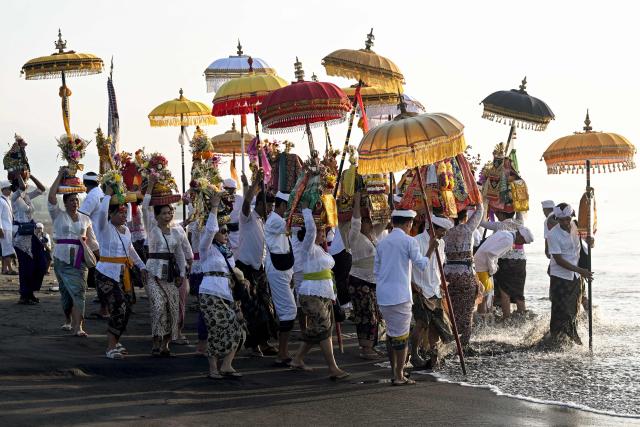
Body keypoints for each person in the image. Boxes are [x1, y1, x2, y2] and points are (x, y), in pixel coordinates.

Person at [290, 203, 349, 381]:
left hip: (324, 293)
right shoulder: (307, 248)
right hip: (312, 293)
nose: (322, 233)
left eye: (323, 231)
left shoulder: (322, 250)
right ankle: (332, 367)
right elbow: (310, 233)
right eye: (319, 231)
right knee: (323, 328)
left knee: (320, 329)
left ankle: (297, 358)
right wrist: (308, 212)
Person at [375, 208, 432, 386]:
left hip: (384, 294)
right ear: (408, 224)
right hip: (400, 295)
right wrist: (430, 249)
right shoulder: (408, 241)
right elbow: (421, 265)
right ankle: (399, 375)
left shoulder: (382, 243)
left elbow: (376, 271)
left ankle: (395, 371)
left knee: (392, 336)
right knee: (400, 337)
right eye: (411, 225)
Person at [142, 175, 193, 356]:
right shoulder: (152, 228)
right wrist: (150, 187)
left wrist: (182, 273)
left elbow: (180, 255)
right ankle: (156, 339)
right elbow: (145, 207)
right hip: (153, 273)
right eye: (164, 213)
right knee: (158, 305)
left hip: (171, 275)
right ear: (157, 215)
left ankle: (165, 343)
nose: (168, 215)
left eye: (170, 212)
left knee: (172, 307)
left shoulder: (177, 232)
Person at [94, 188, 148, 359]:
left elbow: (130, 250)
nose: (124, 216)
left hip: (123, 274)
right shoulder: (104, 227)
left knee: (128, 307)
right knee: (118, 305)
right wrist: (108, 195)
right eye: (120, 213)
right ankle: (110, 347)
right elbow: (102, 212)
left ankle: (116, 340)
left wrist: (142, 266)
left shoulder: (126, 230)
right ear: (111, 214)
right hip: (105, 273)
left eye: (125, 213)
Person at [199, 192, 246, 379]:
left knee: (238, 326)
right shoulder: (206, 248)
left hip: (227, 293)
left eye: (228, 231)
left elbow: (235, 272)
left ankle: (227, 365)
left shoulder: (227, 252)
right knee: (218, 328)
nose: (227, 234)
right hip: (210, 292)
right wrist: (214, 207)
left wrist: (244, 281)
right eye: (223, 231)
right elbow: (210, 230)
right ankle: (212, 367)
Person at [48, 166, 99, 337]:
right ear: (66, 202)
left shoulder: (86, 218)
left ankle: (79, 327)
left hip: (80, 260)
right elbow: (51, 196)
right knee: (65, 294)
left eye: (77, 200)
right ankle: (68, 320)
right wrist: (59, 174)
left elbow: (92, 241)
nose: (75, 203)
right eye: (71, 200)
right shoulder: (58, 215)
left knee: (79, 292)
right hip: (61, 259)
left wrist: (99, 257)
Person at [235, 171, 278, 356]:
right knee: (252, 309)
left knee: (267, 306)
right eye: (269, 206)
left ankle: (265, 341)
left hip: (259, 270)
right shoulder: (247, 217)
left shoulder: (263, 221)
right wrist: (254, 184)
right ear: (260, 204)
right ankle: (255, 345)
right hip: (245, 269)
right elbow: (246, 202)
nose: (271, 209)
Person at [410, 216, 455, 369]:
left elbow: (438, 266)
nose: (444, 234)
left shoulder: (441, 243)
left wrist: (442, 284)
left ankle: (434, 356)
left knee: (436, 325)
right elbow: (413, 265)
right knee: (422, 323)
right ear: (433, 228)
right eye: (442, 231)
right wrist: (411, 282)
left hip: (435, 288)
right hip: (420, 288)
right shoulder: (416, 241)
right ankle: (414, 354)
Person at [546, 203, 593, 345]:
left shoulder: (576, 225)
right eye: (561, 220)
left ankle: (571, 336)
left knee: (574, 308)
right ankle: (556, 337)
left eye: (567, 219)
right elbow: (558, 260)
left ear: (571, 216)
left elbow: (588, 239)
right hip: (560, 276)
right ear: (557, 219)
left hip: (576, 276)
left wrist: (591, 240)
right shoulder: (552, 234)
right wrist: (581, 271)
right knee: (560, 309)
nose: (565, 223)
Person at [347, 191, 385, 359]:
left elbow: (384, 221)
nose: (369, 223)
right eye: (366, 221)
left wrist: (382, 200)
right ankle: (365, 348)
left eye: (370, 221)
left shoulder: (372, 236)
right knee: (366, 315)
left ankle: (371, 345)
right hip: (358, 280)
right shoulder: (354, 236)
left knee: (375, 314)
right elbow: (355, 221)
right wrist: (356, 202)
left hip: (373, 280)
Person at [443, 204, 483, 350]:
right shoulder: (467, 229)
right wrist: (476, 200)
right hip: (465, 275)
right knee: (466, 313)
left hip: (447, 275)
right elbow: (480, 210)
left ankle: (450, 342)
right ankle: (463, 345)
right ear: (465, 216)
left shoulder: (445, 231)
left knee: (449, 311)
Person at [264, 191, 297, 366]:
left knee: (288, 310)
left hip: (284, 267)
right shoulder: (275, 220)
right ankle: (281, 353)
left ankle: (283, 352)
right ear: (283, 206)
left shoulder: (278, 220)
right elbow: (290, 225)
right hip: (277, 269)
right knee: (288, 311)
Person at [474, 226, 534, 317]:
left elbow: (494, 255)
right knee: (485, 298)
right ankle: (481, 323)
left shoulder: (505, 233)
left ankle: (483, 321)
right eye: (523, 242)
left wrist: (494, 266)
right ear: (521, 237)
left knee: (486, 297)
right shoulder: (508, 241)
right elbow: (490, 254)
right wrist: (493, 269)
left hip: (481, 264)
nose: (522, 244)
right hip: (482, 267)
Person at [12, 172, 47, 304]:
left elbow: (42, 189)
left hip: (31, 233)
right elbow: (21, 186)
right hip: (20, 236)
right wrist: (17, 171)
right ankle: (25, 295)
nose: (26, 184)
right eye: (24, 182)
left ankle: (30, 291)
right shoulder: (14, 197)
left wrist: (30, 175)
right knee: (26, 266)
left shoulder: (26, 196)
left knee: (40, 263)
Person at [79, 171, 108, 318]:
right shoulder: (100, 192)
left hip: (94, 237)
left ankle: (104, 307)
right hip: (101, 236)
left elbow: (81, 215)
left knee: (99, 272)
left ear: (85, 184)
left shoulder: (92, 196)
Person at [0, 179, 16, 275]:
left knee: (7, 248)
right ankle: (9, 269)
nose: (10, 190)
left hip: (9, 228)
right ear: (3, 189)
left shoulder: (8, 201)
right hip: (4, 228)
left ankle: (5, 269)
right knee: (7, 249)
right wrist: (0, 228)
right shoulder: (1, 201)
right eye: (9, 188)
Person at [223, 178, 243, 253]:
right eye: (230, 189)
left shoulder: (240, 199)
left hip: (237, 232)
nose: (233, 192)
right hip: (225, 232)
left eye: (234, 189)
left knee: (237, 252)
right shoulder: (220, 199)